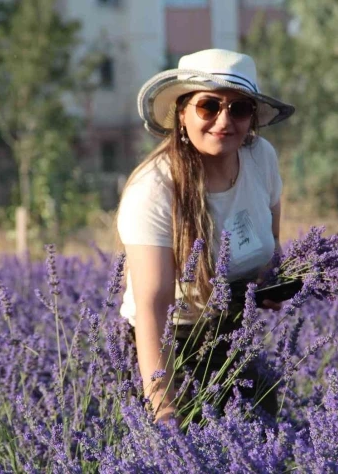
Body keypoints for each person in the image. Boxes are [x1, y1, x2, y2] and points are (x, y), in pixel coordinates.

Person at [116, 49, 295, 423]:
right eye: (208, 106)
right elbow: (154, 311)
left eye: (239, 109)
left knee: (260, 438)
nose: (223, 120)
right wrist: (164, 411)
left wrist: (270, 283)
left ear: (253, 119)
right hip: (165, 346)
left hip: (229, 334)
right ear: (182, 113)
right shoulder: (154, 188)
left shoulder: (260, 158)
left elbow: (270, 242)